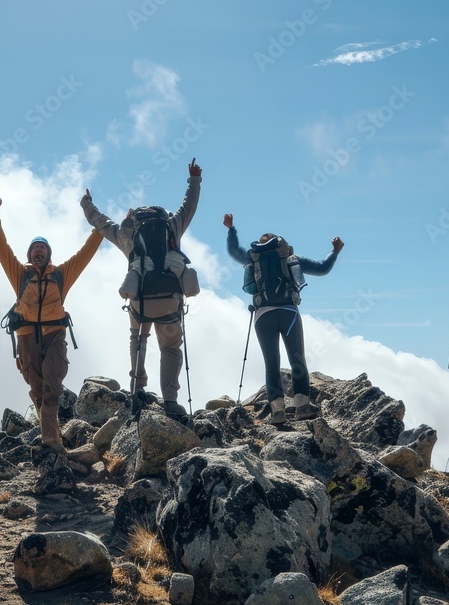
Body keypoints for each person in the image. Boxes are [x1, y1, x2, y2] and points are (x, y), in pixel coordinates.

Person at [80, 158, 202, 417]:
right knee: (170, 347)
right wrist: (194, 180)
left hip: (140, 301)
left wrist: (86, 203)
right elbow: (188, 207)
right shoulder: (171, 226)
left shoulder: (128, 234)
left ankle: (137, 390)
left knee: (138, 338)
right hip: (170, 299)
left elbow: (99, 222)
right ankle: (170, 400)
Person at [0, 195, 103, 455]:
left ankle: (51, 442)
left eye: (42, 248)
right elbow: (0, 247)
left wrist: (100, 227)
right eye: (34, 249)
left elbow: (85, 254)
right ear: (30, 255)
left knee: (52, 387)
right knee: (38, 390)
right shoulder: (20, 274)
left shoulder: (61, 275)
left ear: (48, 254)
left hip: (54, 335)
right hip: (26, 336)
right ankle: (51, 434)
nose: (38, 251)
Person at [224, 213, 343, 424]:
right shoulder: (290, 258)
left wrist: (231, 229)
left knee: (272, 363)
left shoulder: (253, 258)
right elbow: (322, 268)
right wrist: (335, 252)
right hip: (289, 313)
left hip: (263, 316)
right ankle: (302, 406)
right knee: (297, 358)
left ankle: (277, 411)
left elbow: (234, 251)